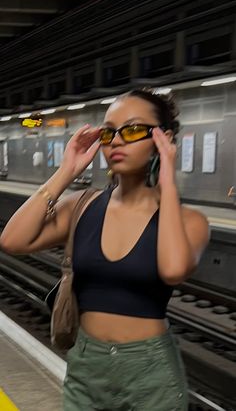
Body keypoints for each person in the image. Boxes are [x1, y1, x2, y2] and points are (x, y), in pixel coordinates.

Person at [0, 89, 209, 411]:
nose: (118, 141)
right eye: (110, 131)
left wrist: (167, 181)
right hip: (87, 364)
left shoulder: (188, 221)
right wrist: (67, 171)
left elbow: (172, 270)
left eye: (134, 129)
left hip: (150, 370)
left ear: (163, 139)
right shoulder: (82, 206)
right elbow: (13, 241)